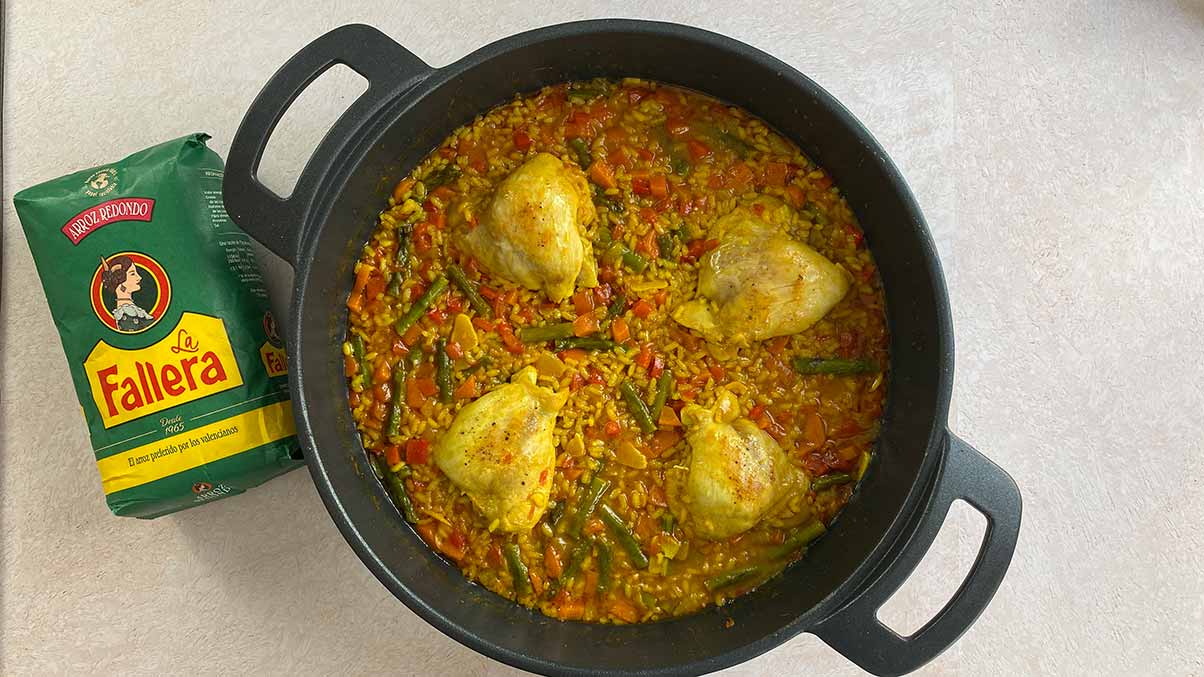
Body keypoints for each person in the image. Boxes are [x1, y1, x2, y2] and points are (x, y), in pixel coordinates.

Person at [100, 255, 154, 331]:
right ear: (120, 280)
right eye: (132, 274)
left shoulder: (131, 310)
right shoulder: (125, 314)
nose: (139, 277)